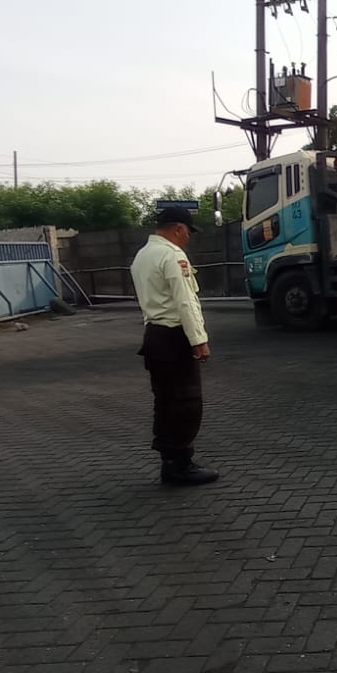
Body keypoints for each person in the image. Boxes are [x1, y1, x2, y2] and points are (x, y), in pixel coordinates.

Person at [130, 205, 219, 486]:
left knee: (166, 400)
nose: (188, 238)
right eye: (188, 232)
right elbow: (185, 302)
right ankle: (180, 465)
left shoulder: (142, 256)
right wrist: (199, 340)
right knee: (186, 402)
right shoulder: (172, 255)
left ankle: (169, 461)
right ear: (178, 228)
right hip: (174, 337)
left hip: (154, 335)